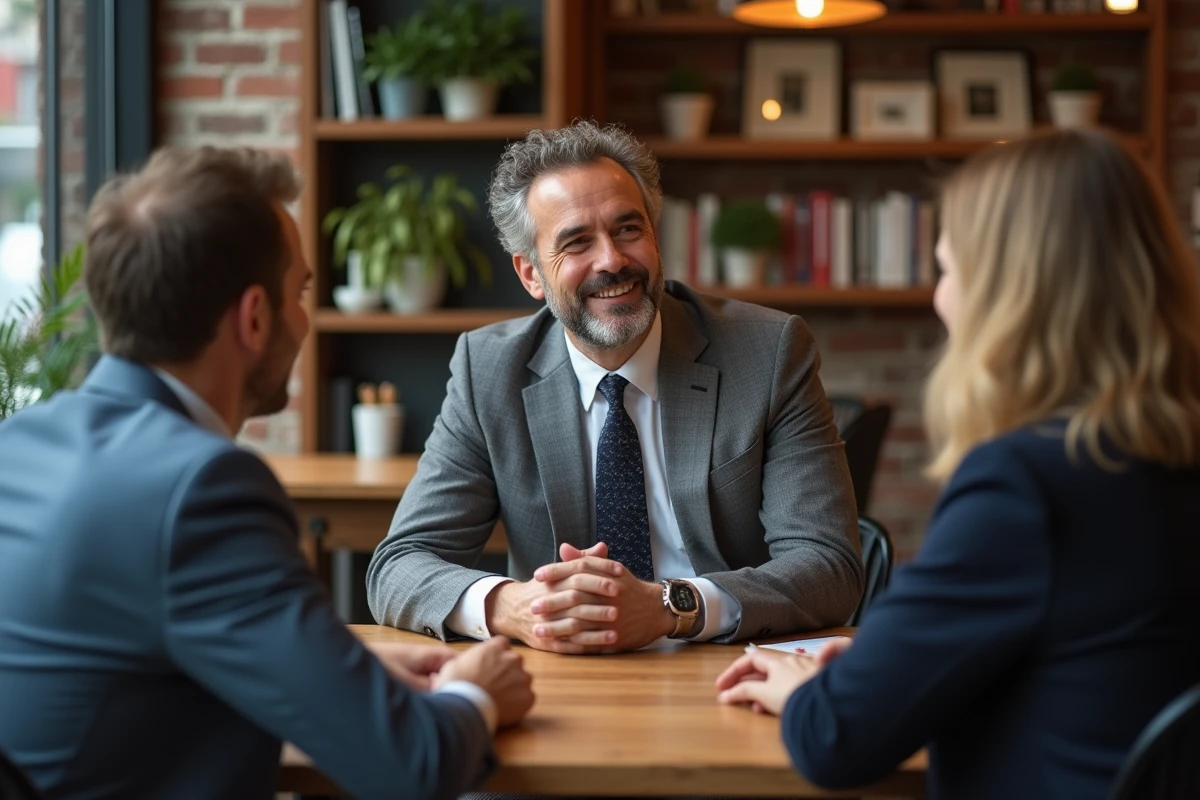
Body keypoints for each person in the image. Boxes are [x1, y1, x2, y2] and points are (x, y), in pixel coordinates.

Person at [0, 146, 534, 800]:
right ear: (255, 318)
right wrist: (476, 692)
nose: (303, 317)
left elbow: (117, 662)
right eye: (300, 292)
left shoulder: (18, 443)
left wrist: (344, 668)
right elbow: (414, 765)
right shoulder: (202, 489)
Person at [714, 129, 1200, 799]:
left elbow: (835, 738)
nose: (940, 299)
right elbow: (1094, 664)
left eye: (947, 270)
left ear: (1012, 293)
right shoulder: (1165, 454)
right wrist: (901, 663)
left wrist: (808, 693)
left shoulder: (1025, 484)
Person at [367, 120, 863, 655]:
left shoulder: (766, 353)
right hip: (563, 675)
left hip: (724, 664)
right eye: (577, 241)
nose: (611, 260)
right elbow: (399, 565)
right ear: (531, 274)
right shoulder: (489, 370)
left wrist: (671, 607)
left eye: (628, 229)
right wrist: (511, 606)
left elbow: (829, 566)